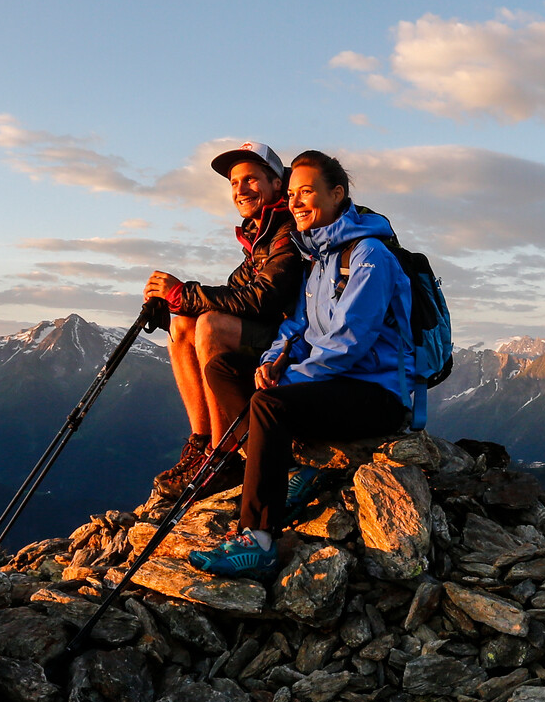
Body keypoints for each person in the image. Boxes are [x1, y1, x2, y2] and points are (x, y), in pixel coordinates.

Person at [190, 150, 414, 579]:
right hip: (335, 386)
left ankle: (257, 537)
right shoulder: (320, 258)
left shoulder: (368, 256)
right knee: (222, 369)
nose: (295, 202)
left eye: (306, 192)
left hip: (377, 394)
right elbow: (295, 325)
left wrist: (286, 381)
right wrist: (274, 358)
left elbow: (348, 343)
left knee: (270, 405)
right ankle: (284, 467)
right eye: (292, 194)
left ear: (337, 194)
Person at [144, 140, 302, 495]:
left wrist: (183, 294)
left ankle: (222, 457)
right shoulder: (262, 230)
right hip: (275, 331)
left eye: (250, 179)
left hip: (294, 340)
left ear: (277, 183)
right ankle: (201, 444)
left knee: (211, 325)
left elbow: (263, 299)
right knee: (186, 323)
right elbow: (235, 289)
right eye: (233, 183)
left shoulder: (288, 228)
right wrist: (175, 304)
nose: (240, 189)